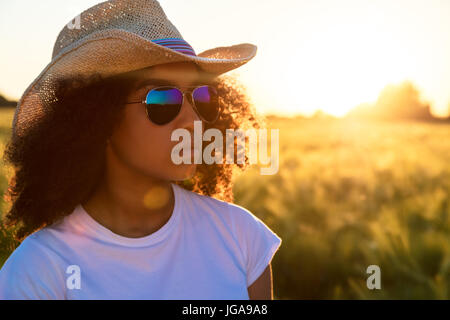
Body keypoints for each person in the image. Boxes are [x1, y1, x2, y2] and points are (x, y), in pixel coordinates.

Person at [0, 0, 282, 300]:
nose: (194, 120)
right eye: (163, 100)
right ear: (97, 117)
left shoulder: (242, 237)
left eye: (202, 98)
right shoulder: (38, 272)